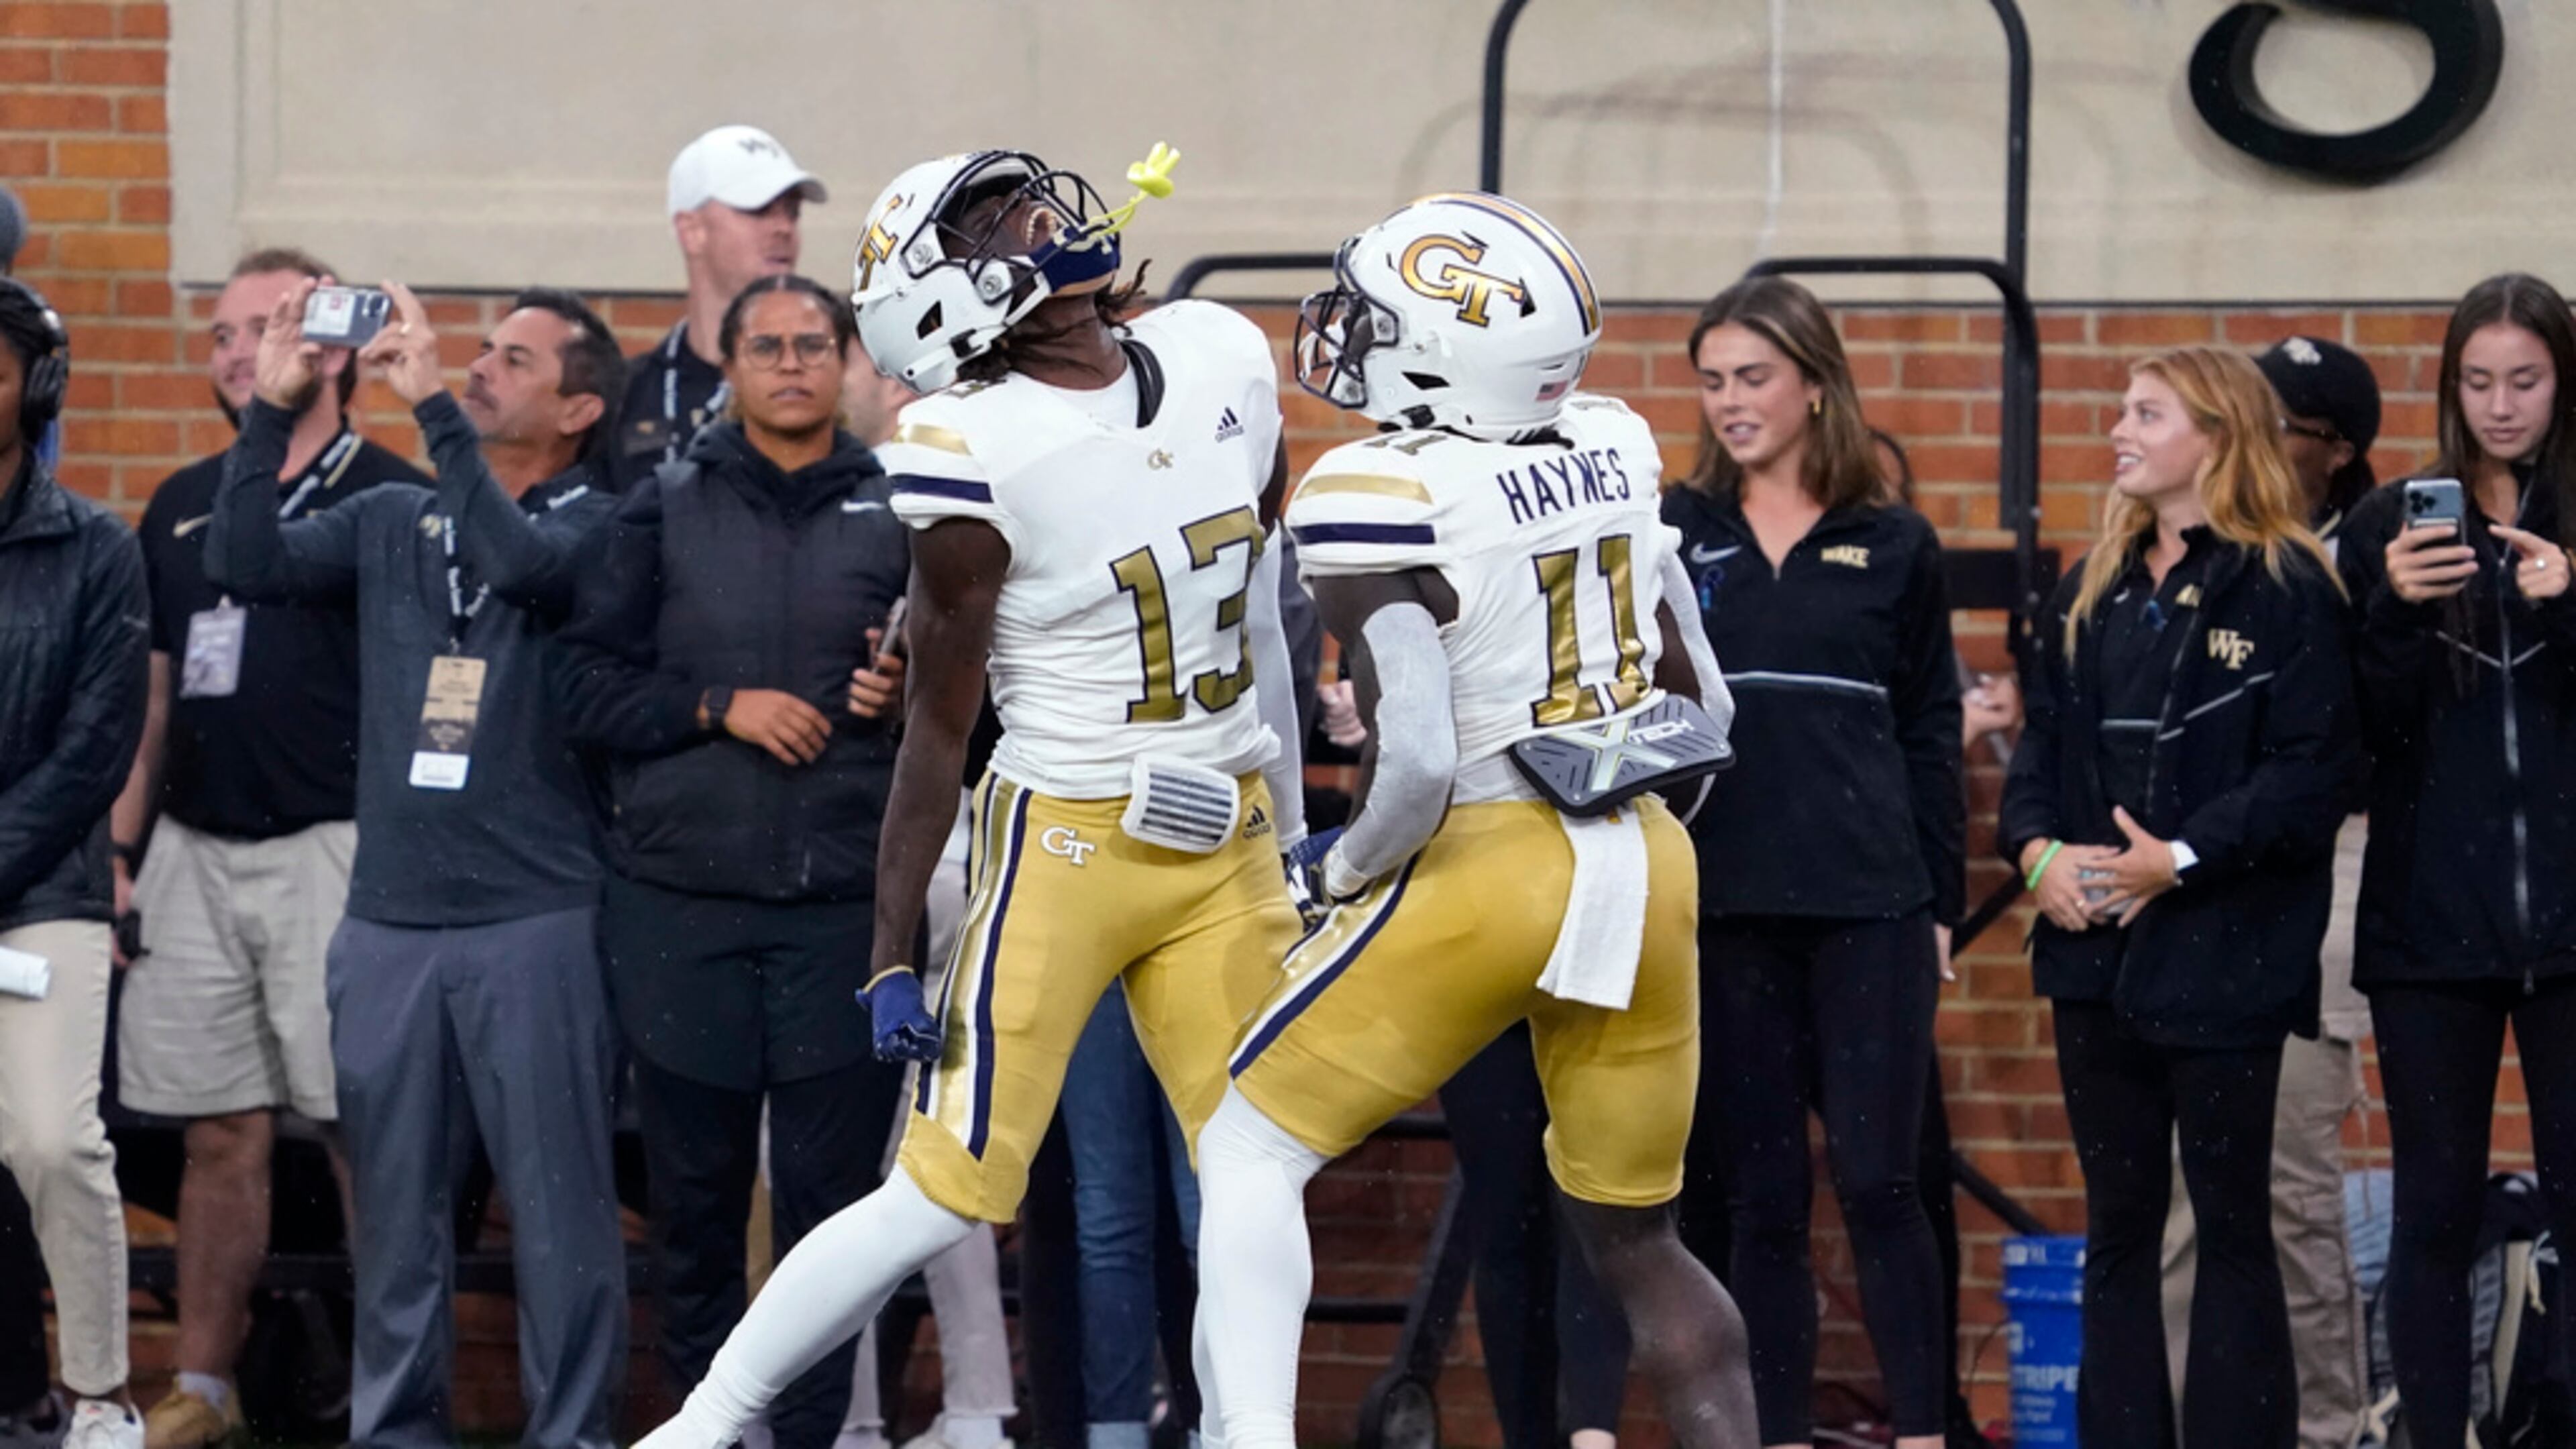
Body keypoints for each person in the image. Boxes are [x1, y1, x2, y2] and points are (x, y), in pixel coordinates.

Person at [633, 144, 1309, 1449]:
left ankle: (1256, 1433)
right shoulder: (966, 443)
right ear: (949, 301)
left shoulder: (1220, 351)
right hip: (1070, 836)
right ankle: (704, 1424)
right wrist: (893, 956)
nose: (1050, 220)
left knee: (1255, 1162)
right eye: (1001, 225)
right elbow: (938, 725)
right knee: (948, 1186)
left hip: (1225, 836)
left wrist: (1277, 807)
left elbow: (1263, 625)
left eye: (1032, 199)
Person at [1192, 191, 1755, 1449]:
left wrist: (1340, 874)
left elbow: (1422, 760)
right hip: (1648, 857)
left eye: (1380, 315)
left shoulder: (1379, 485)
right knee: (1640, 1241)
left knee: (1247, 1151)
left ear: (1446, 351)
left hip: (1494, 852)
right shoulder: (1614, 437)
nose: (1352, 331)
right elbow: (1703, 699)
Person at [202, 278, 627, 1449]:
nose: (481, 368)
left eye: (514, 361)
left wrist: (434, 413)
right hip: (388, 921)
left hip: (534, 919)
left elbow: (528, 567)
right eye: (476, 352)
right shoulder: (396, 521)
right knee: (395, 1222)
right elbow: (239, 561)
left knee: (558, 1221)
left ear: (580, 408)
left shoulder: (603, 518)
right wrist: (274, 412)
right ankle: (396, 1436)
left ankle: (574, 1434)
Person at [557, 274, 914, 1449]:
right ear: (730, 364)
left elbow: (986, 709)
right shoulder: (658, 506)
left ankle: (811, 1436)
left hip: (842, 914)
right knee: (697, 1210)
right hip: (683, 911)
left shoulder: (906, 510)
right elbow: (583, 688)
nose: (794, 364)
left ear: (846, 359)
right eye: (768, 346)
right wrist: (721, 707)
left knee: (833, 1212)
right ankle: (704, 1433)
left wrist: (906, 693)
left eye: (815, 344)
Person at [2000, 345, 2358, 1449]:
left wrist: (2182, 859)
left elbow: (2312, 775)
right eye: (2122, 410)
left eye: (2147, 413)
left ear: (2214, 437)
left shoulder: (2288, 583)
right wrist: (2037, 860)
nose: (2119, 429)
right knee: (2117, 1231)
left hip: (2228, 953)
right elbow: (2036, 761)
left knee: (2232, 1228)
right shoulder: (2090, 588)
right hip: (2093, 955)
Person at [107, 247, 426, 1449]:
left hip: (337, 854)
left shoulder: (388, 493)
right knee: (216, 1131)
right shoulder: (181, 500)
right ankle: (206, 1389)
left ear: (329, 349)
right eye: (223, 334)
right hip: (191, 849)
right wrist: (122, 852)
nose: (238, 351)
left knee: (362, 1132)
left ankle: (396, 1399)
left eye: (265, 326)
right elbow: (150, 703)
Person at [1662, 276, 1962, 1449]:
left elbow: (1932, 730)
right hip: (1724, 907)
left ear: (1816, 384)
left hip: (1871, 909)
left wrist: (1935, 902)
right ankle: (1771, 1433)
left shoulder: (1896, 543)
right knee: (1761, 1203)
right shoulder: (1672, 533)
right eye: (1714, 380)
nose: (1731, 401)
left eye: (1754, 377)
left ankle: (1927, 1430)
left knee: (1887, 1187)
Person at [2335, 274, 2576, 1449]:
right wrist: (2393, 610)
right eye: (2476, 382)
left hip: (2572, 925)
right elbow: (2355, 743)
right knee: (2434, 1201)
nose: (2500, 406)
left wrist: (2566, 607)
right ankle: (2438, 1431)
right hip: (2433, 926)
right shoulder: (2393, 526)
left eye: (2525, 380)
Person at [2157, 334, 2381, 1449]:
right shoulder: (2181, 559)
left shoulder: (2362, 561)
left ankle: (2330, 1431)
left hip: (2321, 872)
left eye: (2276, 426)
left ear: (2334, 454)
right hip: (2193, 885)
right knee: (2185, 1197)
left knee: (2287, 1186)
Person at [828, 344, 1018, 1449]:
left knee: (911, 1155)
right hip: (929, 848)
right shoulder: (932, 498)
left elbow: (962, 697)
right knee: (929, 1149)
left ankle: (897, 1415)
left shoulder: (934, 489)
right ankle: (966, 1407)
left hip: (953, 853)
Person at [0, 279, 150, 1449]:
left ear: (33, 386)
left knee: (52, 1137)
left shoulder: (96, 548)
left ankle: (100, 1394)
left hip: (42, 889)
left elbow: (96, 743)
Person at [616, 125, 826, 490]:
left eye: (792, 213)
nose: (783, 228)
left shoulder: (827, 377)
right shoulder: (625, 391)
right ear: (692, 230)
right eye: (759, 210)